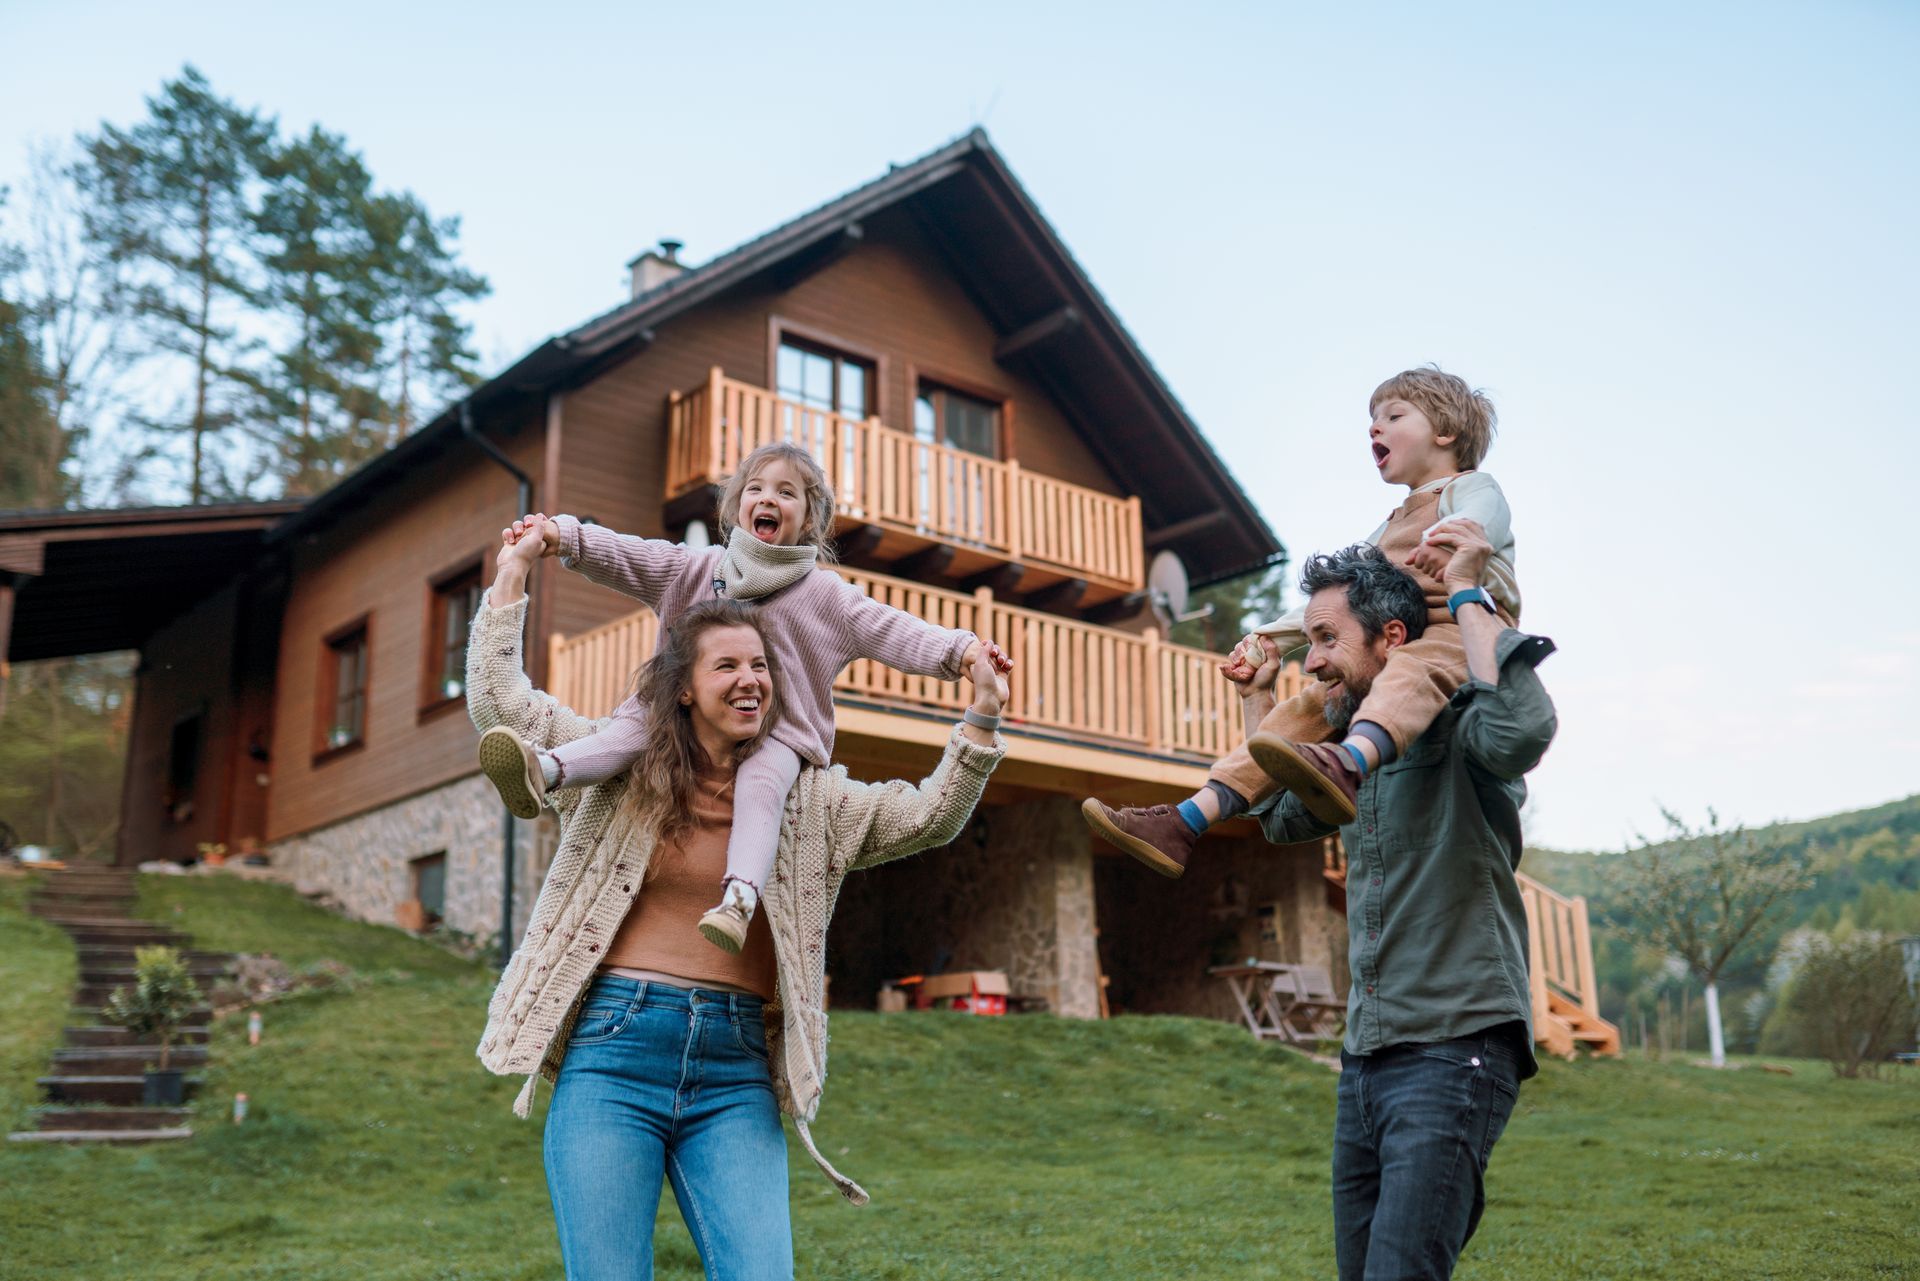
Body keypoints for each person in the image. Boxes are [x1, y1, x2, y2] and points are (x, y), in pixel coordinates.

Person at [468, 525, 1009, 1279]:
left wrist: (981, 717)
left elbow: (929, 816)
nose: (751, 678)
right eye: (727, 665)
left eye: (760, 665)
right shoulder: (614, 768)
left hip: (735, 1070)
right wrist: (513, 572)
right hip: (613, 1051)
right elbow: (501, 701)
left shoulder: (810, 802)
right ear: (685, 687)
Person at [475, 440, 1010, 952]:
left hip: (779, 734)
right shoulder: (696, 569)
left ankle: (737, 900)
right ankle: (544, 771)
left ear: (810, 518)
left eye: (786, 492)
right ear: (736, 507)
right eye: (755, 488)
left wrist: (961, 652)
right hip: (669, 711)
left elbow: (894, 630)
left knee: (762, 788)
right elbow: (628, 556)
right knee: (625, 733)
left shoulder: (826, 597)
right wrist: (562, 536)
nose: (767, 499)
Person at [1246, 528, 1556, 1280]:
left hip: (1456, 1042)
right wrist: (1257, 698)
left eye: (1327, 639)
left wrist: (1468, 590)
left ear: (1391, 637)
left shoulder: (1460, 725)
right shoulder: (1351, 751)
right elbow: (1279, 816)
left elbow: (1522, 728)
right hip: (1366, 1057)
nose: (1312, 660)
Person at [1082, 366, 1518, 875]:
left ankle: (1348, 763)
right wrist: (1269, 636)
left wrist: (1453, 540)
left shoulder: (1470, 488)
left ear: (1445, 432)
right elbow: (1337, 601)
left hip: (1461, 626)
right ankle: (1185, 821)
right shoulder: (1389, 525)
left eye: (1393, 416)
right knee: (1305, 708)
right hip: (1398, 636)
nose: (1374, 427)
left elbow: (1484, 521)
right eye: (1372, 419)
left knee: (1410, 673)